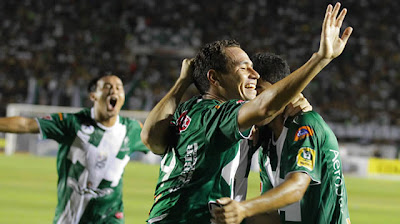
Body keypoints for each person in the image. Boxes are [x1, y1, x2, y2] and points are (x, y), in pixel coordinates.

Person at [141, 3, 352, 223]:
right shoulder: (219, 114)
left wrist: (182, 82)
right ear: (215, 78)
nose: (253, 75)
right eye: (243, 68)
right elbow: (263, 107)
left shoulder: (187, 110)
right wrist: (320, 59)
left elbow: (150, 138)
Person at [212, 52, 351, 224]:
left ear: (282, 91)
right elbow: (276, 217)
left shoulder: (305, 124)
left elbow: (297, 187)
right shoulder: (265, 140)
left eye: (260, 90)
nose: (255, 100)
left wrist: (243, 209)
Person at [0, 74, 149, 224]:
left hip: (110, 218)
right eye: (107, 87)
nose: (113, 91)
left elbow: (160, 145)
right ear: (93, 96)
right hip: (71, 217)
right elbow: (26, 125)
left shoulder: (132, 129)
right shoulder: (72, 123)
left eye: (119, 88)